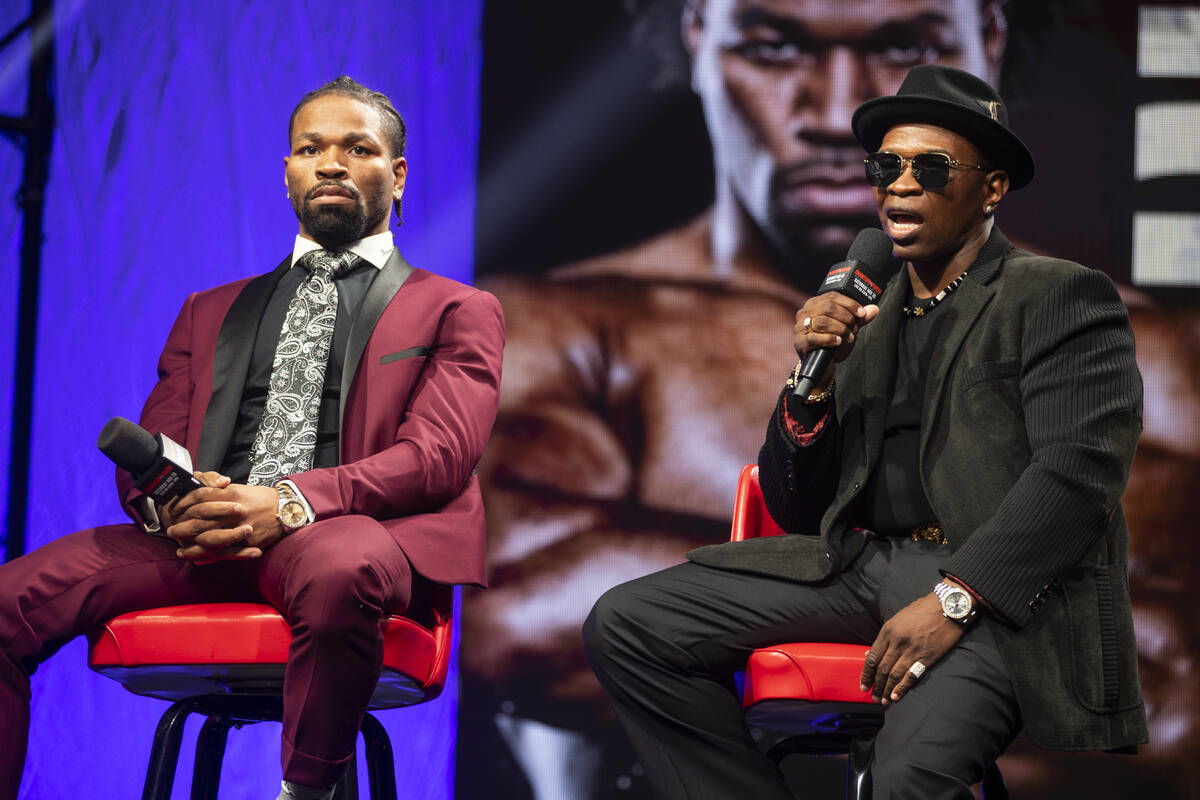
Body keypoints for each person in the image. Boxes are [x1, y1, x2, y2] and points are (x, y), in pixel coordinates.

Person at [462, 1, 1197, 797]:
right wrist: (808, 385)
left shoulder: (1063, 297)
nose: (899, 188)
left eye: (931, 170)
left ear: (989, 189)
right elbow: (795, 497)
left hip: (993, 594)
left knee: (906, 777)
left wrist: (958, 598)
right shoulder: (863, 308)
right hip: (865, 566)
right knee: (630, 624)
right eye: (890, 169)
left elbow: (1076, 476)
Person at [0, 76, 504, 800]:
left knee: (342, 569)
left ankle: (307, 790)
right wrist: (172, 506)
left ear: (395, 177)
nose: (330, 163)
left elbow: (438, 459)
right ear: (289, 173)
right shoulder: (208, 311)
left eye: (356, 148)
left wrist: (288, 502)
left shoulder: (458, 308)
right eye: (310, 148)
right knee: (7, 600)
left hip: (347, 533)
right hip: (202, 542)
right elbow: (158, 441)